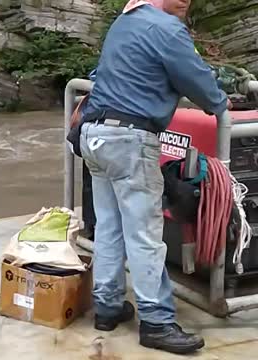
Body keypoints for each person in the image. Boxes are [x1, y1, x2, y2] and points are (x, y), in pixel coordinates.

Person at [78, 0, 230, 355]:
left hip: (94, 135)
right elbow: (198, 81)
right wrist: (221, 103)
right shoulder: (166, 28)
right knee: (145, 234)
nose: (185, 2)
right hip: (130, 140)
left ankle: (108, 306)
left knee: (109, 226)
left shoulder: (125, 21)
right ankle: (157, 321)